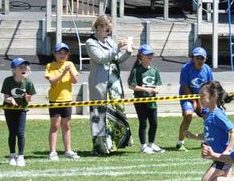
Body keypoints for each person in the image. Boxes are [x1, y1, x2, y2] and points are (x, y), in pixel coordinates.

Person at [85, 16, 132, 156]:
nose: (108, 32)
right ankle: (98, 146)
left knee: (114, 112)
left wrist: (128, 52)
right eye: (106, 29)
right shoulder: (90, 42)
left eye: (109, 30)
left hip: (113, 83)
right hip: (100, 84)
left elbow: (116, 59)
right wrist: (117, 47)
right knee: (99, 115)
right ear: (99, 27)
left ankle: (112, 144)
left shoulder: (109, 41)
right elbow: (101, 58)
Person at [45, 42, 80, 161]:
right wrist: (63, 73)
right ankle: (53, 152)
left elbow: (74, 81)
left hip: (67, 99)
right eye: (60, 52)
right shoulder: (50, 65)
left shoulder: (70, 64)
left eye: (65, 53)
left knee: (66, 125)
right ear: (54, 53)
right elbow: (52, 81)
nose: (62, 55)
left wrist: (69, 71)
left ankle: (68, 150)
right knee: (55, 125)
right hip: (55, 100)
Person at [129, 44, 165, 154]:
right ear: (141, 56)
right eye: (147, 54)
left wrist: (156, 89)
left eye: (151, 54)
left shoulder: (154, 70)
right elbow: (132, 85)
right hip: (140, 101)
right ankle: (143, 146)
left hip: (151, 101)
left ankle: (151, 144)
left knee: (154, 123)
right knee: (143, 123)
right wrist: (146, 89)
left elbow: (158, 84)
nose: (150, 56)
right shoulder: (137, 70)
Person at [176, 47, 214, 150]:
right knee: (188, 116)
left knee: (209, 117)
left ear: (205, 59)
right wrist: (194, 101)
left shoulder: (207, 69)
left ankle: (206, 141)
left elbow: (210, 86)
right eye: (197, 58)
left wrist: (205, 101)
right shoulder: (186, 68)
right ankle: (180, 143)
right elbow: (185, 86)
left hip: (203, 97)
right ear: (192, 58)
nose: (199, 60)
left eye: (202, 58)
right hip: (187, 95)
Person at [1, 57, 36, 167]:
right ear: (14, 70)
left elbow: (29, 98)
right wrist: (10, 100)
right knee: (12, 132)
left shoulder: (28, 83)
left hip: (21, 110)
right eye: (20, 67)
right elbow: (6, 97)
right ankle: (12, 156)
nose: (23, 69)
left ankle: (21, 156)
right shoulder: (8, 81)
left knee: (20, 133)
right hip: (9, 110)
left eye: (25, 67)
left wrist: (28, 98)